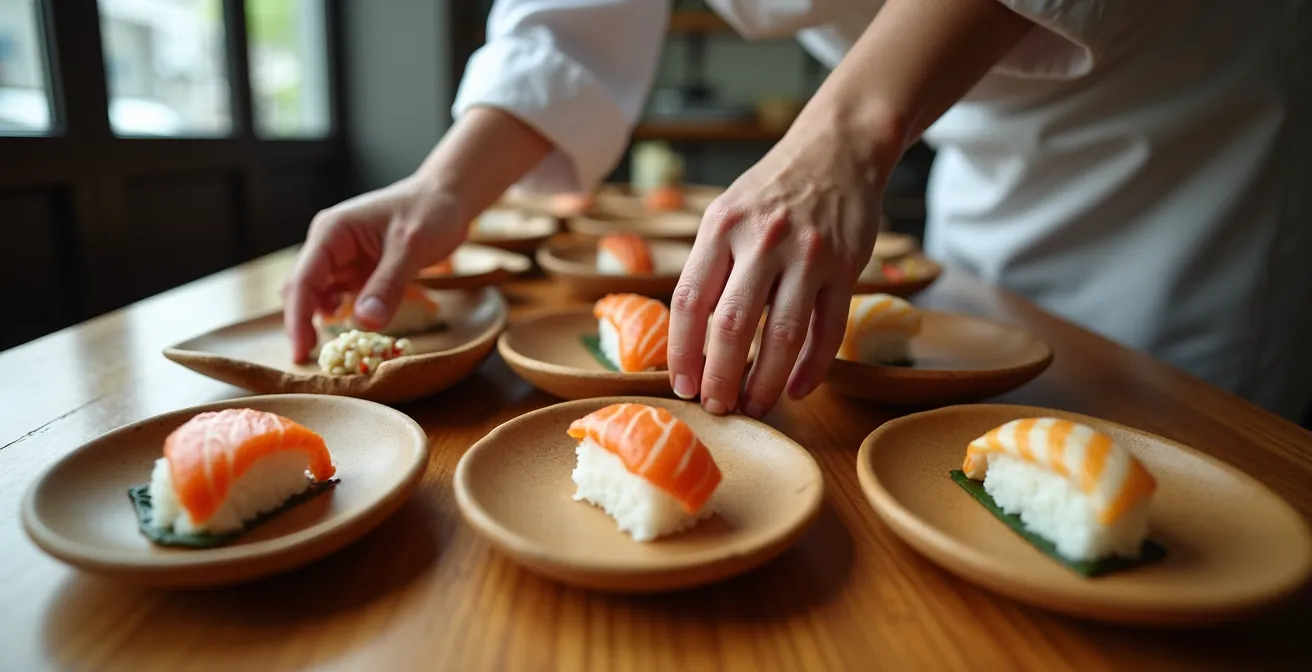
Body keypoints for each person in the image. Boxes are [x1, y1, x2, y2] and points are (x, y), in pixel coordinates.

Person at [282, 0, 1312, 424]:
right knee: (958, 407)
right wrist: (446, 183)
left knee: (1163, 432)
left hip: (1188, 113)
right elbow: (572, 16)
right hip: (961, 125)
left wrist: (848, 129)